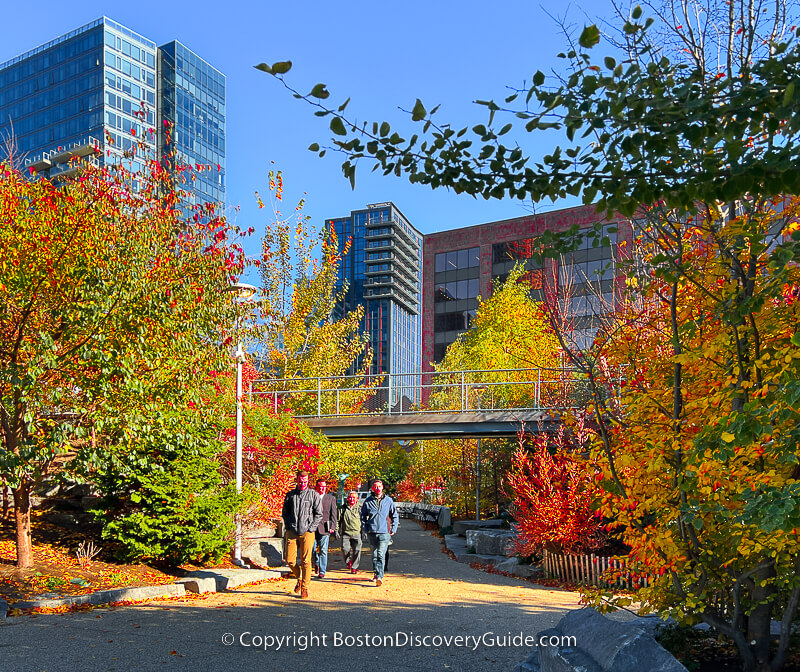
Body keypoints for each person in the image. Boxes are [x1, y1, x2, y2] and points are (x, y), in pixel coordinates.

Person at [281, 470, 322, 599]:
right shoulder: (290, 495)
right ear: (297, 480)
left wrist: (311, 528)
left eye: (305, 481)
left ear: (308, 481)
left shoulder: (313, 495)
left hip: (307, 531)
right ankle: (299, 577)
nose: (302, 483)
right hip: (292, 531)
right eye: (300, 480)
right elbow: (285, 513)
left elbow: (319, 514)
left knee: (306, 561)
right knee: (290, 560)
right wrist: (288, 525)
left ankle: (305, 587)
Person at [360, 479, 398, 587]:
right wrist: (365, 527)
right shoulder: (368, 501)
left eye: (379, 486)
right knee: (374, 555)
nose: (377, 488)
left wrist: (393, 528)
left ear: (382, 488)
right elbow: (362, 516)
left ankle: (380, 576)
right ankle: (376, 574)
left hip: (384, 532)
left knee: (381, 554)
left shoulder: (388, 501)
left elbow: (395, 515)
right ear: (372, 488)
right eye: (375, 487)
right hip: (372, 531)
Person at [313, 478, 338, 579]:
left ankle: (322, 571)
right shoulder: (312, 496)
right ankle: (317, 562)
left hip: (325, 527)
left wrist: (333, 526)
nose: (322, 488)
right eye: (320, 486)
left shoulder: (330, 498)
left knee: (323, 550)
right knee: (312, 549)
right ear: (316, 487)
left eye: (324, 487)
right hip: (313, 527)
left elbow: (334, 514)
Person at [339, 490, 362, 574]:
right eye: (350, 497)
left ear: (357, 499)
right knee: (345, 549)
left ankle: (354, 567)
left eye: (354, 497)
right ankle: (348, 561)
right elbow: (338, 520)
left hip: (356, 533)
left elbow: (364, 520)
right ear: (348, 498)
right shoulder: (343, 508)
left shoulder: (360, 508)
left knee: (357, 550)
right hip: (346, 533)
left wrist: (365, 531)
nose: (352, 499)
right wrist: (337, 530)